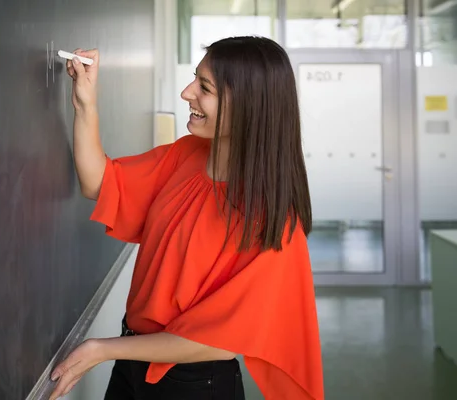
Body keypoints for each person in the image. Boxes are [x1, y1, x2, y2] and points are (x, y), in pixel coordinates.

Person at [49, 36, 324, 400]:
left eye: (204, 87)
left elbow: (220, 343)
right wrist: (85, 102)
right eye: (195, 78)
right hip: (132, 361)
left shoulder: (273, 222)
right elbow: (98, 182)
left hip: (193, 384)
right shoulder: (185, 155)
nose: (186, 93)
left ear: (249, 106)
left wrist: (104, 349)